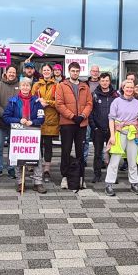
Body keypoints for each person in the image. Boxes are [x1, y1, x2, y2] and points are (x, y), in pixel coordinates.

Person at [2, 77, 48, 193]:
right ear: (20, 86)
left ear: (30, 87)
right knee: (18, 157)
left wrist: (33, 122)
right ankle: (20, 182)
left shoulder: (36, 101)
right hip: (18, 133)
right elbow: (6, 117)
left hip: (33, 133)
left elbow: (41, 118)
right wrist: (18, 120)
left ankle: (38, 182)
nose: (25, 87)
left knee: (36, 157)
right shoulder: (13, 101)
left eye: (28, 85)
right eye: (23, 85)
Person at [55, 61, 93, 189]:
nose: (75, 73)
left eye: (77, 71)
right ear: (69, 71)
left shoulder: (85, 86)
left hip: (81, 124)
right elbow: (59, 104)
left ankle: (81, 177)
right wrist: (72, 116)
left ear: (79, 72)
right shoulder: (62, 85)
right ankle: (65, 177)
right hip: (67, 123)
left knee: (80, 151)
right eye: (73, 71)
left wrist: (82, 116)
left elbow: (89, 104)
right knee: (65, 151)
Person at [104, 80, 138, 195]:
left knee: (132, 160)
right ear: (123, 88)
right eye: (127, 87)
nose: (130, 89)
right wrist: (112, 136)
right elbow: (111, 119)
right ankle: (109, 184)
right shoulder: (116, 102)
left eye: (132, 87)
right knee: (115, 159)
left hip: (132, 134)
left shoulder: (137, 103)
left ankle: (134, 183)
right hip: (119, 133)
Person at [31, 64, 59, 183]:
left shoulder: (57, 85)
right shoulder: (36, 85)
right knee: (37, 146)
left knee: (48, 145)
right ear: (41, 72)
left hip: (51, 119)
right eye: (44, 70)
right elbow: (31, 99)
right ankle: (38, 167)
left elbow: (59, 101)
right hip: (38, 118)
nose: (46, 72)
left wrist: (47, 102)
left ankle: (46, 169)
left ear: (52, 72)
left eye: (48, 70)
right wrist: (39, 103)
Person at [90, 72, 118, 184]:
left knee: (113, 153)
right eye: (102, 81)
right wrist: (94, 127)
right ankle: (97, 175)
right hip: (98, 129)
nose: (105, 83)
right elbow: (90, 112)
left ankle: (112, 176)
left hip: (112, 130)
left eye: (106, 80)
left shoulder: (115, 95)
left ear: (110, 81)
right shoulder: (94, 94)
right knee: (97, 153)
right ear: (99, 81)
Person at [0, 65, 19, 180]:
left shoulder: (19, 85)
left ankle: (11, 168)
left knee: (13, 146)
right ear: (6, 73)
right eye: (10, 72)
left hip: (15, 122)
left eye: (14, 72)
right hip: (2, 121)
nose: (12, 74)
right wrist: (5, 114)